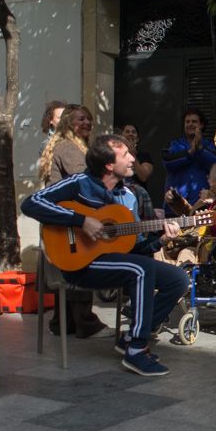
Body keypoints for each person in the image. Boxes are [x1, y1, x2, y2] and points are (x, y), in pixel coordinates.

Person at [22, 134, 189, 376]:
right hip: (78, 264)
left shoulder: (128, 196)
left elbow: (134, 247)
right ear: (109, 165)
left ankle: (131, 336)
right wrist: (81, 220)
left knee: (178, 279)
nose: (133, 159)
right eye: (125, 155)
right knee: (141, 270)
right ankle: (137, 350)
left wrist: (161, 240)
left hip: (111, 262)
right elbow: (31, 203)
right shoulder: (79, 183)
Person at [38, 104, 106, 338]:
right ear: (68, 123)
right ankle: (85, 323)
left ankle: (62, 323)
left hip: (62, 218)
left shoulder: (67, 145)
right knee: (79, 265)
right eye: (81, 119)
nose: (87, 122)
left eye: (89, 118)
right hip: (70, 219)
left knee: (67, 269)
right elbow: (83, 180)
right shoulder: (69, 147)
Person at [163, 109, 216, 211]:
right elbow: (168, 163)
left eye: (194, 121)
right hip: (175, 207)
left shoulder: (211, 146)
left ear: (201, 125)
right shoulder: (174, 145)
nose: (190, 124)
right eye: (187, 122)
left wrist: (200, 150)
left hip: (204, 207)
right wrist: (191, 152)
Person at [119, 122, 155, 188]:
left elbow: (144, 177)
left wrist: (132, 155)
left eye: (133, 132)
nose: (130, 134)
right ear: (121, 137)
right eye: (127, 132)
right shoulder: (115, 155)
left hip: (138, 195)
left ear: (137, 139)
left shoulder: (145, 156)